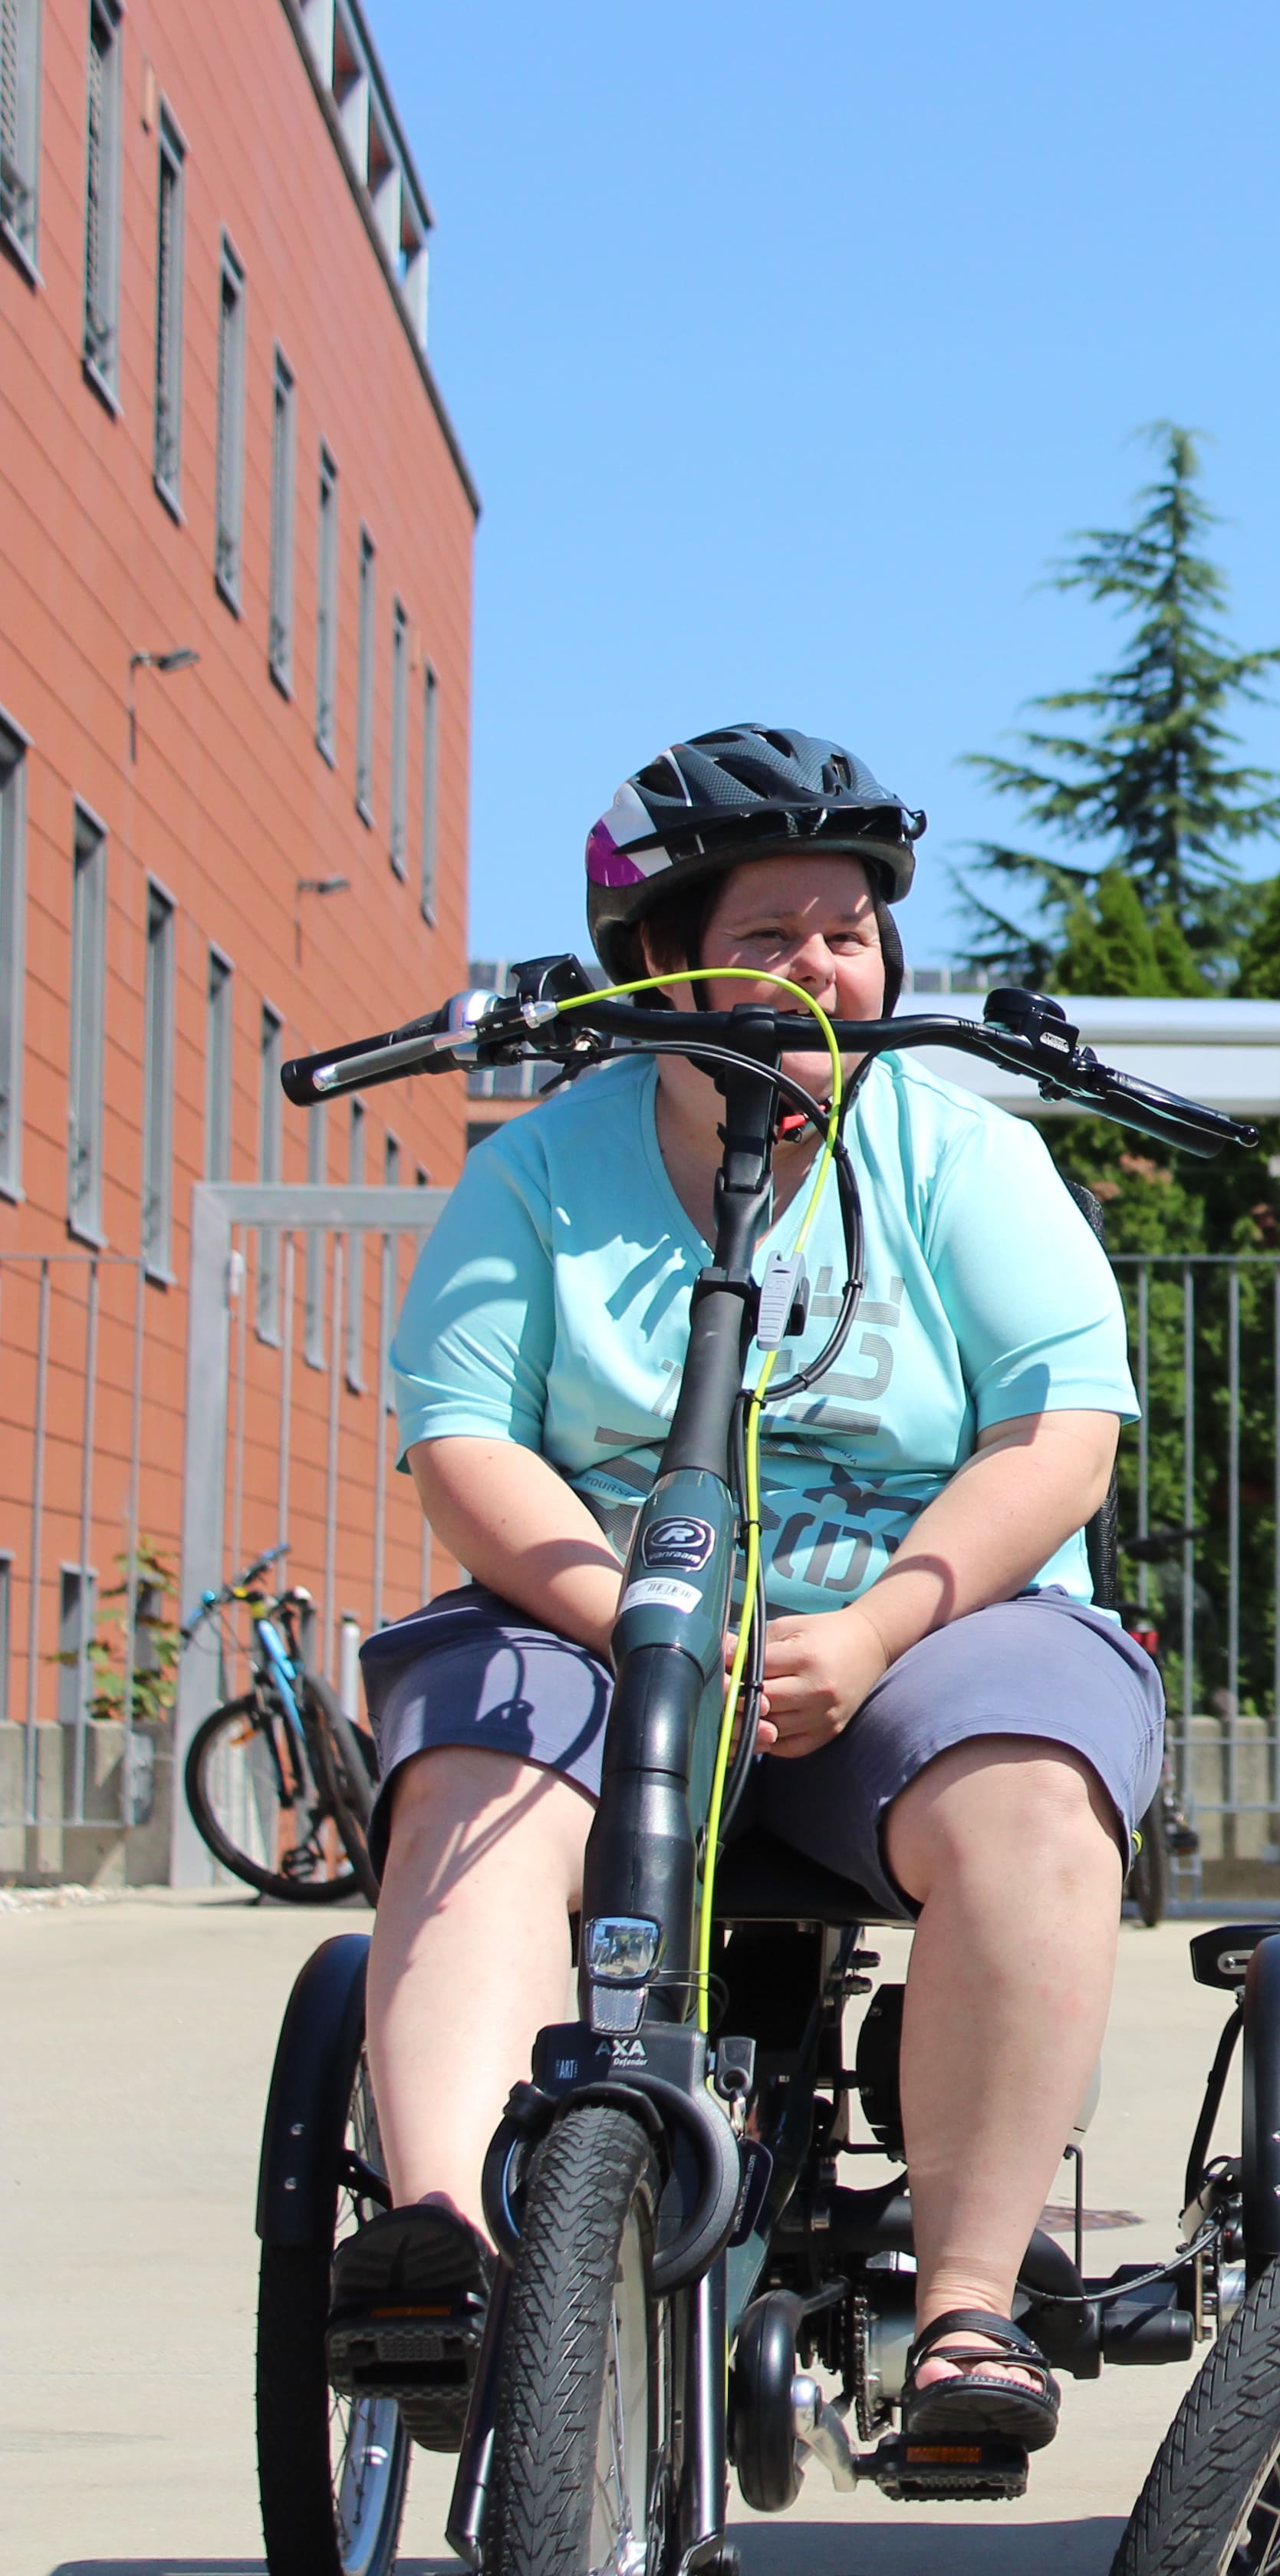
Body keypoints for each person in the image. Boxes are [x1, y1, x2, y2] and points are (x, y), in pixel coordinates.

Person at [326, 725, 1160, 2454]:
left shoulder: (957, 1156)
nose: (821, 965)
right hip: (596, 1618)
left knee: (1031, 1801)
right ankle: (446, 2256)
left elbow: (1060, 1437)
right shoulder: (542, 1171)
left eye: (848, 931)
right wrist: (636, 1622)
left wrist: (868, 1633)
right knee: (472, 1781)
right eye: (770, 930)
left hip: (922, 1632)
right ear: (653, 960)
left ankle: (965, 2307)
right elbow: (465, 1441)